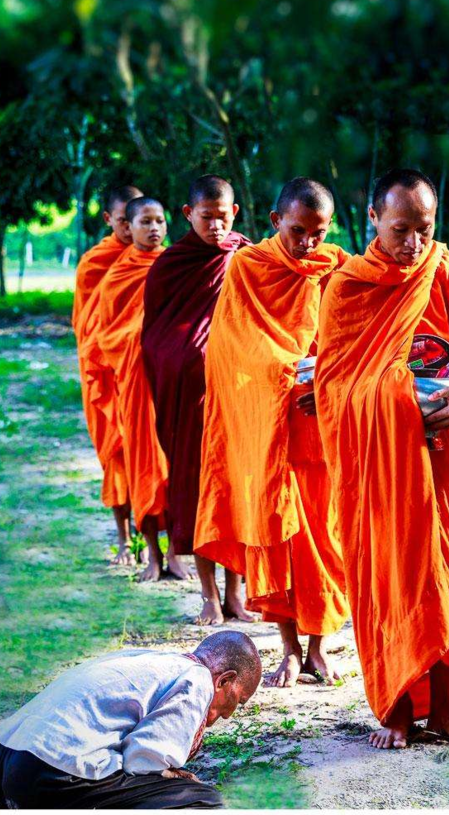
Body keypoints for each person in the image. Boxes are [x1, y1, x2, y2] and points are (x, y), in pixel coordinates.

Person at [314, 169, 449, 749]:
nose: (414, 243)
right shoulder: (348, 286)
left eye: (425, 229)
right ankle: (396, 707)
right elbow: (335, 383)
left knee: (443, 577)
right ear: (373, 218)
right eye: (401, 229)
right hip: (377, 467)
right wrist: (401, 397)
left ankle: (444, 707)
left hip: (437, 460)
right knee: (389, 578)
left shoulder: (441, 270)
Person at [195, 178, 350, 687]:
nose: (308, 243)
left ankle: (318, 648)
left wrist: (323, 373)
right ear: (273, 221)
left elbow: (353, 338)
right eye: (297, 230)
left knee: (322, 538)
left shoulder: (337, 268)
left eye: (318, 232)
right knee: (277, 540)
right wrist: (287, 372)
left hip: (318, 421)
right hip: (266, 424)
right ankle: (287, 648)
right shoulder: (248, 268)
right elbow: (231, 348)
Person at [141, 175, 256, 622]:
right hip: (190, 401)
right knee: (197, 491)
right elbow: (154, 337)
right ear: (188, 215)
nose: (216, 225)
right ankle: (208, 594)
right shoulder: (171, 265)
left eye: (223, 216)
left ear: (235, 213)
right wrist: (188, 361)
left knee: (237, 492)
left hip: (239, 395)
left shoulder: (247, 257)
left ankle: (236, 594)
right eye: (206, 217)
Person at [0, 630, 262, 809]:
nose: (228, 714)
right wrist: (169, 776)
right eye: (237, 701)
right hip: (46, 772)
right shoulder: (197, 678)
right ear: (224, 680)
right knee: (203, 800)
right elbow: (142, 762)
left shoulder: (152, 660)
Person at [97, 197, 171, 582]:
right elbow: (105, 334)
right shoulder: (116, 275)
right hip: (136, 382)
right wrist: (141, 339)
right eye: (145, 221)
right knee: (144, 464)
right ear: (129, 224)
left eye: (160, 220)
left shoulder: (176, 265)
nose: (154, 228)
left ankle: (175, 552)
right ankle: (152, 555)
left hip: (171, 380)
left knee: (175, 466)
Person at [74, 185, 141, 565]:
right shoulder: (95, 263)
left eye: (139, 222)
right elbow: (86, 325)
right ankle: (123, 538)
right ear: (109, 220)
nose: (133, 231)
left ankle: (152, 540)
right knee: (116, 454)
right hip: (103, 372)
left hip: (140, 373)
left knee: (148, 452)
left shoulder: (154, 259)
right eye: (123, 223)